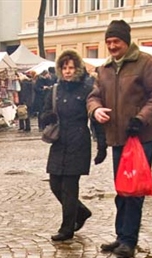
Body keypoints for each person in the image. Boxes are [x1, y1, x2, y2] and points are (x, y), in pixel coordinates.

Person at [87, 19, 152, 258]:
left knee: (134, 190)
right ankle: (121, 234)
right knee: (122, 189)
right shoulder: (105, 69)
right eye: (109, 42)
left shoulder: (145, 63)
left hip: (141, 136)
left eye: (116, 41)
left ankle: (129, 240)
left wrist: (141, 118)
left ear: (126, 41)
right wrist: (95, 109)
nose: (112, 46)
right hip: (117, 137)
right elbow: (93, 96)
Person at [40, 50, 106, 242]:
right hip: (59, 141)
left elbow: (95, 119)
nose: (67, 71)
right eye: (64, 67)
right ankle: (82, 211)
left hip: (78, 140)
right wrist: (47, 117)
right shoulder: (55, 90)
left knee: (69, 187)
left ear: (77, 68)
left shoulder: (87, 89)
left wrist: (102, 146)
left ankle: (66, 228)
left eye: (71, 67)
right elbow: (44, 113)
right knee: (54, 184)